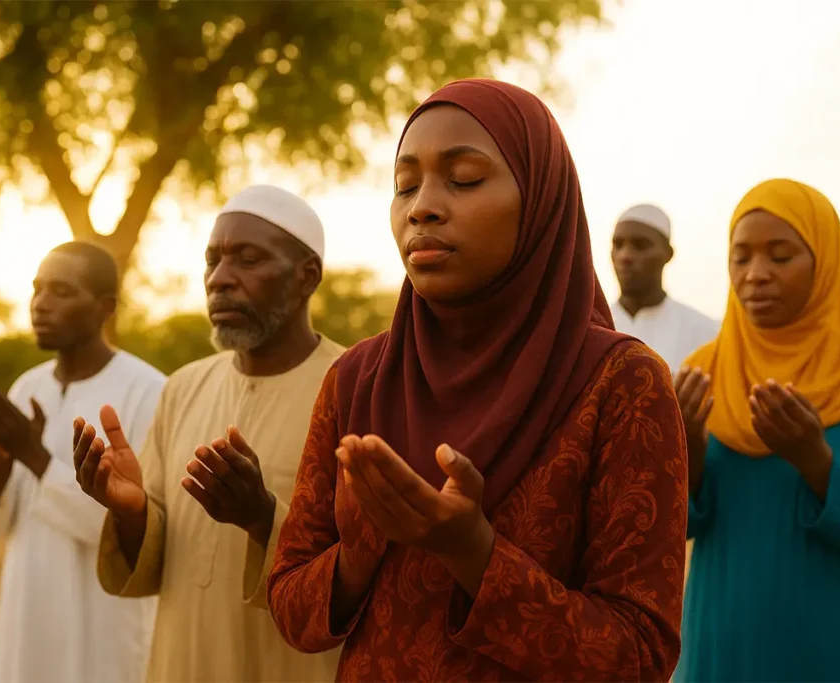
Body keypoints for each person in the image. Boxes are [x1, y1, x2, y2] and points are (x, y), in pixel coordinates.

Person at [267, 79, 688, 682]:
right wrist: (357, 555)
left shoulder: (621, 383)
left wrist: (473, 551)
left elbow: (639, 657)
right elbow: (291, 610)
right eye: (405, 186)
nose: (423, 207)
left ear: (541, 200)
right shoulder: (356, 381)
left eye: (463, 178)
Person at [71, 185, 344, 683]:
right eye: (212, 261)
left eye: (248, 259)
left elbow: (364, 574)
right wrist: (132, 511)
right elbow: (155, 560)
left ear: (307, 276)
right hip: (183, 665)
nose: (220, 280)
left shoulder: (356, 388)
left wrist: (263, 519)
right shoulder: (183, 387)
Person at [673, 178, 840, 682]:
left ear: (825, 263)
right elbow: (671, 533)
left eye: (780, 256)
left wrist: (817, 462)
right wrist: (685, 452)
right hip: (724, 654)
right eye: (741, 257)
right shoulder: (704, 376)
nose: (756, 275)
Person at [0, 241, 164, 683]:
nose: (40, 304)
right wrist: (1, 453)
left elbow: (132, 531)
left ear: (105, 308)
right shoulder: (26, 387)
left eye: (61, 291)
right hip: (26, 620)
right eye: (37, 289)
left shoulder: (148, 391)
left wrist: (34, 455)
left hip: (103, 629)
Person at [610, 203, 719, 372]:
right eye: (618, 245)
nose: (625, 256)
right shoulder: (593, 328)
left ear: (668, 254)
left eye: (640, 245)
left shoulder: (707, 333)